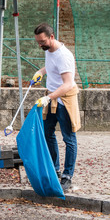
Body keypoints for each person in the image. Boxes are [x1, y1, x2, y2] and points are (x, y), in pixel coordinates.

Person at [32, 23, 81, 191]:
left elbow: (68, 84)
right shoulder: (49, 50)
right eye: (38, 42)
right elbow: (51, 66)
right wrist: (41, 72)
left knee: (69, 139)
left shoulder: (63, 56)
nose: (40, 45)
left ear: (51, 37)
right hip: (52, 98)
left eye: (43, 41)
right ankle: (55, 169)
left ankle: (67, 176)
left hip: (64, 100)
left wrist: (48, 97)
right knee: (47, 133)